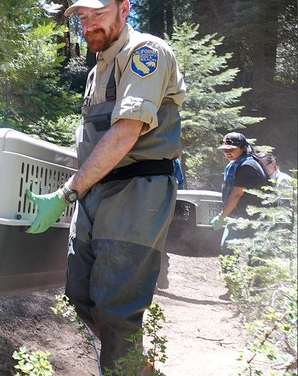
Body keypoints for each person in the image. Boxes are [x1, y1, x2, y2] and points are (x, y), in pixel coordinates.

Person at [25, 0, 186, 373]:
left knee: (117, 306)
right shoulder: (97, 70)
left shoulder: (146, 52)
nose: (89, 24)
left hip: (137, 190)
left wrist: (67, 192)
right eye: (82, 18)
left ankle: (123, 365)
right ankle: (135, 362)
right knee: (80, 293)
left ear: (124, 8)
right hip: (96, 192)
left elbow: (125, 131)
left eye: (98, 13)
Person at [211, 132, 269, 291]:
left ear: (243, 148)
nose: (227, 152)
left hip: (254, 218)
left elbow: (237, 194)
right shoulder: (238, 163)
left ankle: (251, 291)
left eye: (231, 148)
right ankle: (235, 289)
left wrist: (222, 216)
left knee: (249, 253)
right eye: (224, 149)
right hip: (241, 216)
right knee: (229, 249)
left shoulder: (246, 165)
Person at [157, 159, 185, 290]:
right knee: (159, 245)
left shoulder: (174, 162)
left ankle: (161, 276)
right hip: (163, 208)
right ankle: (160, 276)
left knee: (158, 245)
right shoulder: (174, 161)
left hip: (164, 208)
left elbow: (180, 185)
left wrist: (180, 207)